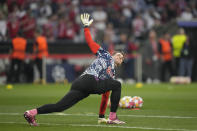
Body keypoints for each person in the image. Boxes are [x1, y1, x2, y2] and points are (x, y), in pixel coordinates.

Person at [24, 13, 125, 126]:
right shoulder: (105, 54)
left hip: (82, 84)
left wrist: (101, 116)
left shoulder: (112, 74)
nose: (120, 57)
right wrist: (86, 27)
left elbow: (105, 96)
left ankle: (31, 113)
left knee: (60, 107)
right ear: (112, 54)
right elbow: (90, 42)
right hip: (89, 80)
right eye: (118, 55)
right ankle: (113, 117)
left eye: (122, 58)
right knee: (117, 85)